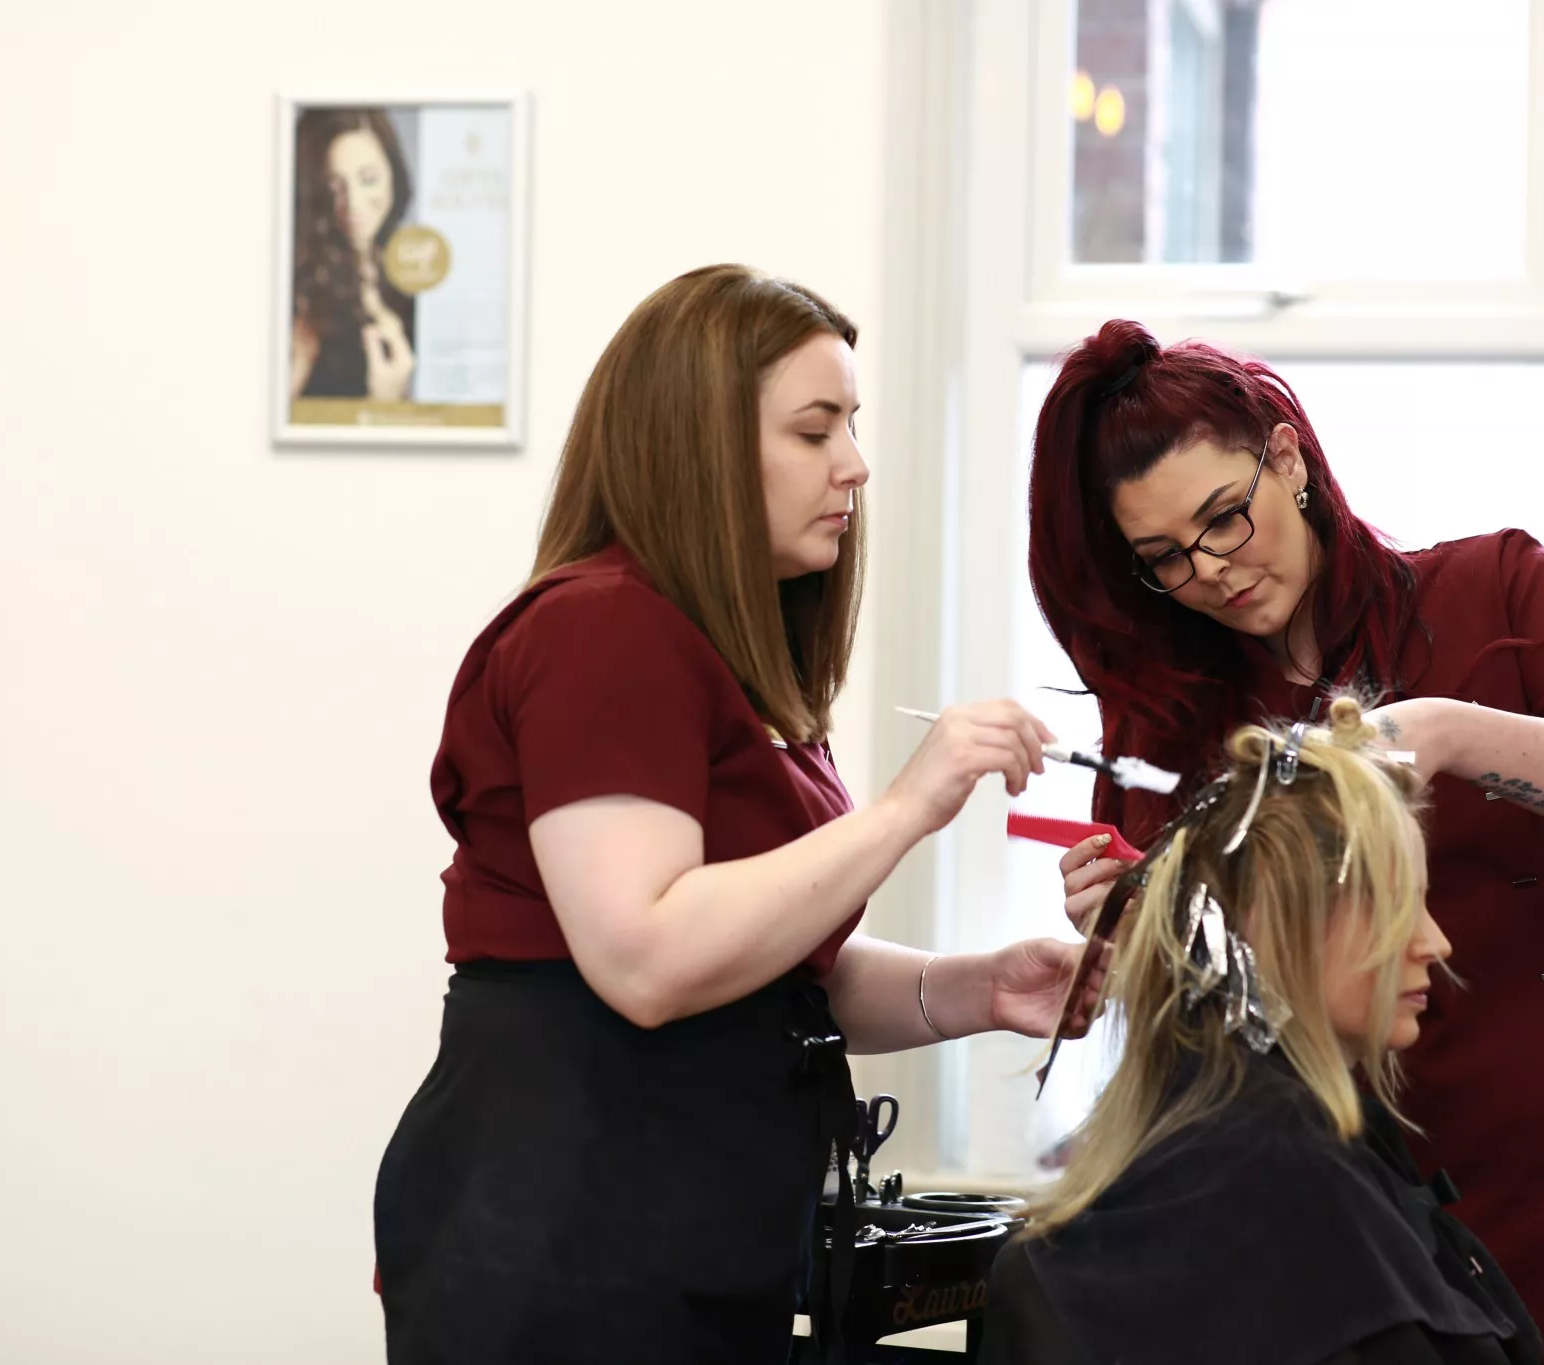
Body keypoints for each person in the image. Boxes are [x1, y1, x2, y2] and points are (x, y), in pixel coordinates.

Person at [1028, 326, 1544, 1363]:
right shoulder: (1166, 729)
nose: (1211, 570)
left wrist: (1447, 733)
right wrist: (1131, 937)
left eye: (1224, 518)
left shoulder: (1493, 588)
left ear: (1286, 457)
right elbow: (1217, 1036)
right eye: (1163, 559)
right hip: (1398, 1239)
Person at [373, 265, 1099, 1365]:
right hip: (566, 1240)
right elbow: (649, 956)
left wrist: (976, 988)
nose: (854, 464)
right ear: (699, 444)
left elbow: (760, 966)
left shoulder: (713, 659)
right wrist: (908, 803)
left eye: (851, 425)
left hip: (687, 1233)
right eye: (815, 430)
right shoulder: (599, 632)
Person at [984, 699, 1544, 1365]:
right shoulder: (1280, 1177)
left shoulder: (1251, 1140)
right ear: (1281, 926)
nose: (1436, 942)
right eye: (1397, 906)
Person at [290, 107, 417, 403]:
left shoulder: (410, 269)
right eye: (334, 186)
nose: (354, 204)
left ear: (392, 174)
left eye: (369, 178)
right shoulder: (299, 292)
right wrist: (382, 403)